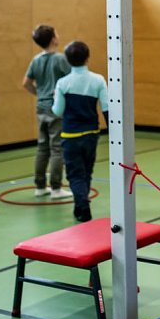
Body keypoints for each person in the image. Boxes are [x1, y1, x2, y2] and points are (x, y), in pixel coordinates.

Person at [52, 41, 108, 222]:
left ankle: (82, 206)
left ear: (67, 60)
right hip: (91, 133)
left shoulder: (62, 83)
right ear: (87, 57)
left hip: (71, 136)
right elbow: (107, 107)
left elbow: (58, 111)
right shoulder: (98, 80)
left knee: (75, 174)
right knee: (87, 171)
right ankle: (81, 204)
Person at [23, 25, 73, 199]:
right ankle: (56, 188)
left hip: (41, 108)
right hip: (56, 109)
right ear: (53, 39)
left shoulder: (36, 60)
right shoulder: (60, 59)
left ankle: (40, 186)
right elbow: (71, 80)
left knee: (42, 148)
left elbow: (26, 83)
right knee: (57, 148)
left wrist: (40, 94)